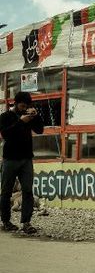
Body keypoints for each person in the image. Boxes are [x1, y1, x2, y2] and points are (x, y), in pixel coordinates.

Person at [0, 91, 44, 234]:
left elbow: (40, 130)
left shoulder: (28, 115)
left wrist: (35, 117)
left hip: (26, 159)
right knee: (6, 192)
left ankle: (26, 222)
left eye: (27, 106)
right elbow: (6, 134)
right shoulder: (5, 116)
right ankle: (6, 221)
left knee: (27, 191)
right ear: (15, 103)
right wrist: (21, 122)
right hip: (10, 159)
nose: (24, 108)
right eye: (22, 106)